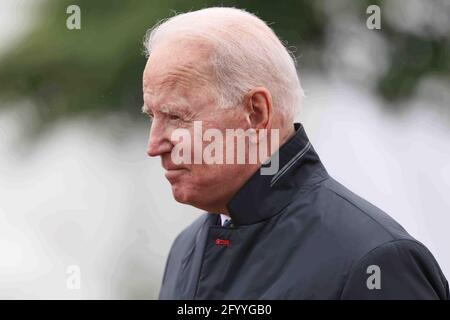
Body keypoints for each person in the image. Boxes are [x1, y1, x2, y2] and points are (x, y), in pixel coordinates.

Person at [141, 7, 449, 299]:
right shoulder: (186, 248)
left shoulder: (376, 261)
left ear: (256, 113)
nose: (154, 146)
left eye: (176, 117)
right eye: (151, 116)